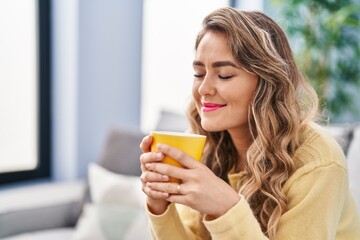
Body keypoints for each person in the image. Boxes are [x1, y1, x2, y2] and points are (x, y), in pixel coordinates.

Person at [139, 7, 360, 240]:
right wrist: (159, 204)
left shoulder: (318, 162)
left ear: (267, 82)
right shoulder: (205, 144)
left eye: (224, 74)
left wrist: (226, 208)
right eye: (199, 73)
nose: (204, 88)